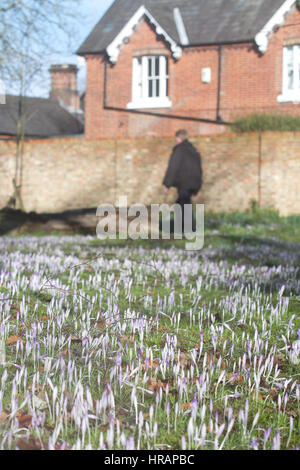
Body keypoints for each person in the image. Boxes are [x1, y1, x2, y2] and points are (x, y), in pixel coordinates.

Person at [162, 129, 203, 232]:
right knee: (180, 204)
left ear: (178, 138)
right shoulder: (194, 150)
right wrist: (198, 187)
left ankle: (190, 228)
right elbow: (199, 169)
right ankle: (181, 226)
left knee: (184, 204)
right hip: (193, 182)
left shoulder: (179, 150)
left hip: (185, 182)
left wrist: (167, 184)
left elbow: (173, 167)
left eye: (176, 139)